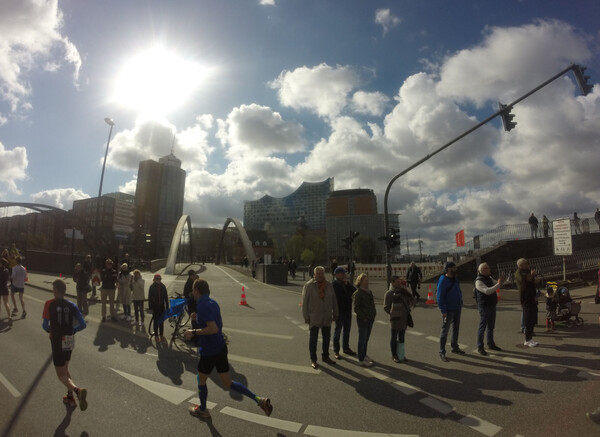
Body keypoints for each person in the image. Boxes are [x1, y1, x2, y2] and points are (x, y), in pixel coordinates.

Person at [184, 278, 273, 419]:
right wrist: (196, 320)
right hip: (220, 347)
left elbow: (213, 328)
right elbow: (217, 324)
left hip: (209, 351)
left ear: (196, 291)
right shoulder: (213, 303)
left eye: (193, 291)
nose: (192, 294)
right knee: (228, 382)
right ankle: (259, 400)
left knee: (201, 380)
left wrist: (192, 332)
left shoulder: (202, 306)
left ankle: (202, 410)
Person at [42, 279, 88, 410]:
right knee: (66, 369)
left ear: (56, 290)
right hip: (69, 339)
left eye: (53, 289)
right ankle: (70, 398)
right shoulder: (72, 305)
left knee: (60, 374)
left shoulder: (49, 304)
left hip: (57, 340)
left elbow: (45, 325)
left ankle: (77, 390)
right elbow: (83, 324)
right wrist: (73, 330)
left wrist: (51, 331)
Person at [301, 266, 339, 369]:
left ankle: (326, 356)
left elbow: (334, 300)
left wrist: (336, 313)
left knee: (326, 339)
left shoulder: (329, 285)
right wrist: (306, 316)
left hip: (326, 316)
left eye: (322, 273)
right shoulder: (309, 286)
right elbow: (304, 303)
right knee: (313, 340)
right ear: (314, 275)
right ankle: (313, 359)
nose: (320, 275)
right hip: (314, 316)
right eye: (318, 274)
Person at [437, 262, 464, 362]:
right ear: (448, 269)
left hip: (457, 307)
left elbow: (458, 290)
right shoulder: (443, 280)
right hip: (448, 309)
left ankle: (455, 347)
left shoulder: (455, 279)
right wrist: (443, 310)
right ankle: (442, 352)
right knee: (445, 331)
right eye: (453, 268)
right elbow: (440, 297)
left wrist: (460, 300)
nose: (455, 269)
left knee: (456, 329)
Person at [474, 263, 504, 356]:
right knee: (482, 327)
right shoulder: (478, 281)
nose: (489, 269)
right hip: (484, 306)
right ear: (482, 270)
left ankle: (490, 343)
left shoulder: (489, 278)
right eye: (487, 268)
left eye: (488, 267)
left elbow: (499, 286)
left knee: (491, 326)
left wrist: (501, 282)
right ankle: (480, 346)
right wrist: (498, 284)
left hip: (491, 305)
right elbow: (487, 291)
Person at [383, 276, 415, 363]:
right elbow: (386, 307)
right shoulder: (389, 293)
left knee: (402, 337)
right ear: (392, 282)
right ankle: (394, 355)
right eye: (397, 282)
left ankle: (401, 354)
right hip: (395, 320)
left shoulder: (403, 291)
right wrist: (393, 313)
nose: (399, 284)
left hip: (404, 319)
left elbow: (410, 300)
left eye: (399, 282)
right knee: (394, 337)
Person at [331, 267, 356, 359]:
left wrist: (347, 284)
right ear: (337, 274)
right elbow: (343, 297)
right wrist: (348, 291)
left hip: (347, 310)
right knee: (338, 331)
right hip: (340, 311)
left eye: (344, 273)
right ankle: (336, 350)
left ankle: (346, 347)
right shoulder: (334, 284)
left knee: (347, 330)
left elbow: (354, 291)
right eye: (342, 273)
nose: (344, 275)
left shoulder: (345, 283)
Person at [353, 273, 376, 367]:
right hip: (363, 319)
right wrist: (364, 317)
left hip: (370, 318)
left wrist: (373, 314)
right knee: (362, 339)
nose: (367, 282)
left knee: (366, 338)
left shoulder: (369, 292)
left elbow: (371, 304)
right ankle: (361, 359)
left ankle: (364, 355)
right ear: (360, 281)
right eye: (365, 280)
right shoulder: (358, 293)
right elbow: (356, 308)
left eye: (367, 280)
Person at [515, 258, 539, 347]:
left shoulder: (527, 271)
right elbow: (524, 281)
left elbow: (533, 281)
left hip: (532, 296)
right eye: (525, 263)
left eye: (527, 263)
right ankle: (527, 339)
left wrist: (533, 278)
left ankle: (530, 338)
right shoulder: (519, 273)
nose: (527, 265)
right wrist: (531, 277)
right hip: (526, 297)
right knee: (528, 319)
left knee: (532, 319)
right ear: (521, 265)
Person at [148, 274, 169, 342]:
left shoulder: (163, 286)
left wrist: (167, 306)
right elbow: (150, 298)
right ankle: (156, 335)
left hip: (161, 306)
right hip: (155, 307)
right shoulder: (152, 287)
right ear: (154, 279)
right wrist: (150, 308)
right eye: (157, 279)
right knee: (156, 321)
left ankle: (161, 335)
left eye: (159, 279)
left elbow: (166, 297)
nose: (158, 280)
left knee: (161, 321)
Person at [0, 258, 11, 322]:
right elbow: (8, 279)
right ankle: (9, 316)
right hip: (5, 288)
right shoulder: (7, 270)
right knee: (6, 303)